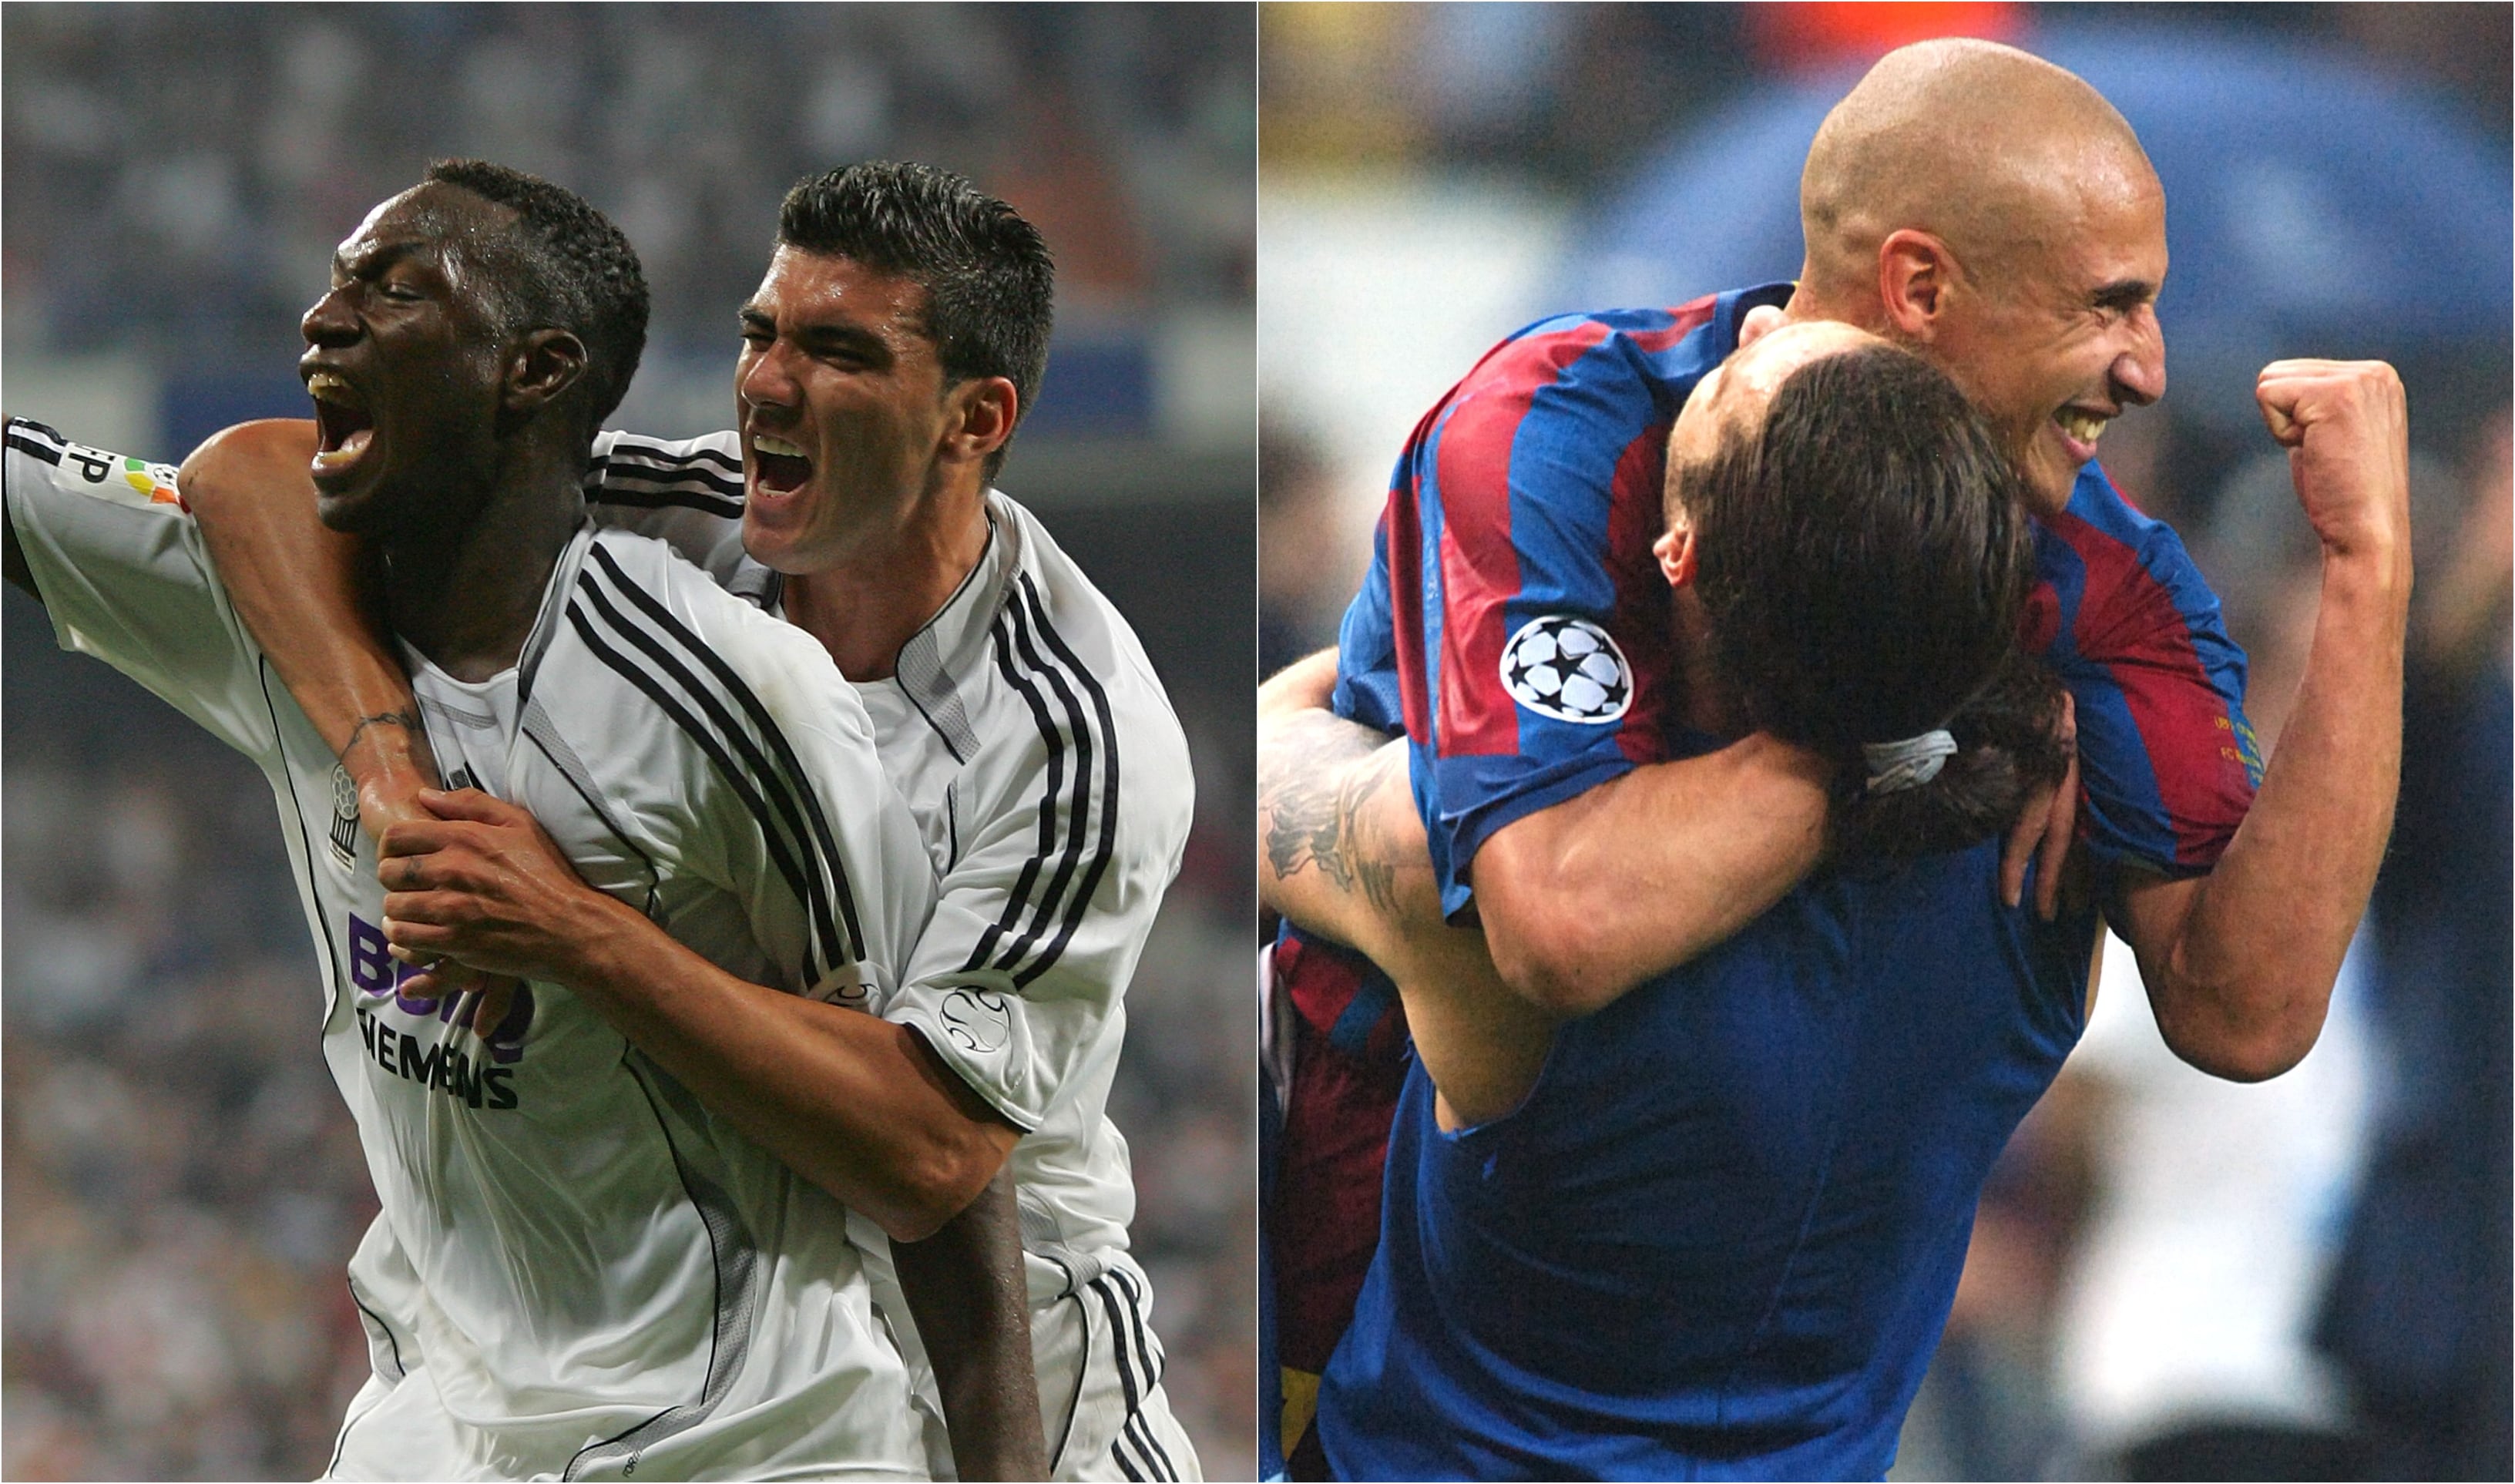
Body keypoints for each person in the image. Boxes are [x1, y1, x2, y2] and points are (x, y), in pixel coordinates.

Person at [1258, 35, 2409, 1476]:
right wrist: (1933, 730)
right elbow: (1551, 910)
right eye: (2110, 305)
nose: (2150, 364)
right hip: (1338, 1337)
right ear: (1922, 287)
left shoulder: (2101, 583)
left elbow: (2246, 1011)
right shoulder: (1567, 431)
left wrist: (2367, 573)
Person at [5, 162, 1046, 1479]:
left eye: (392, 289)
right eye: (334, 283)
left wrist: (578, 936)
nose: (325, 322)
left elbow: (936, 1152)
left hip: (749, 1434)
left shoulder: (730, 690)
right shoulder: (268, 605)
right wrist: (393, 779)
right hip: (446, 1417)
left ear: (534, 370)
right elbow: (233, 470)